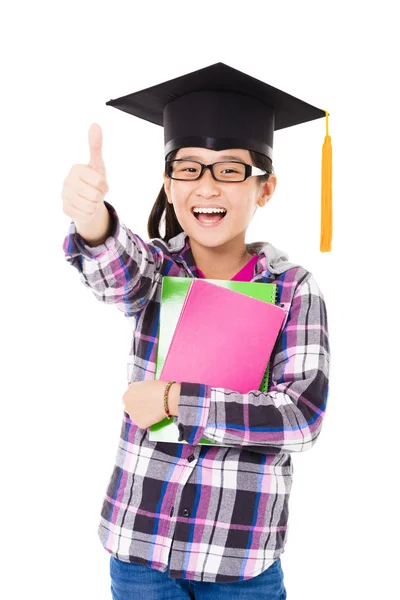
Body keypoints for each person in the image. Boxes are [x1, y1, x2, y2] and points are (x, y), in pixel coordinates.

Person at [62, 62, 330, 600]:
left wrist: (174, 400)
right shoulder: (158, 272)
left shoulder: (293, 290)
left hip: (239, 558)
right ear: (169, 182)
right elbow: (118, 272)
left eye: (230, 169)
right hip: (140, 550)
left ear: (266, 187)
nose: (206, 186)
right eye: (188, 169)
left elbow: (300, 418)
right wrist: (94, 221)